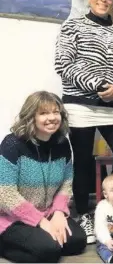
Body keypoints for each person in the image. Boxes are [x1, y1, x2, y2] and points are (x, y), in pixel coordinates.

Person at [54, 0, 113, 244]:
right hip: (80, 105)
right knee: (84, 162)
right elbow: (63, 64)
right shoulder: (72, 26)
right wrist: (97, 84)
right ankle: (86, 215)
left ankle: (110, 204)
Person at [0, 91, 86, 262]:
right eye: (44, 113)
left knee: (77, 241)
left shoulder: (62, 142)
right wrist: (41, 222)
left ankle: (41, 242)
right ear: (31, 116)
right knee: (50, 250)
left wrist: (59, 213)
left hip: (47, 212)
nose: (52, 117)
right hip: (12, 217)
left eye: (56, 112)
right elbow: (5, 193)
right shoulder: (12, 144)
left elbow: (66, 182)